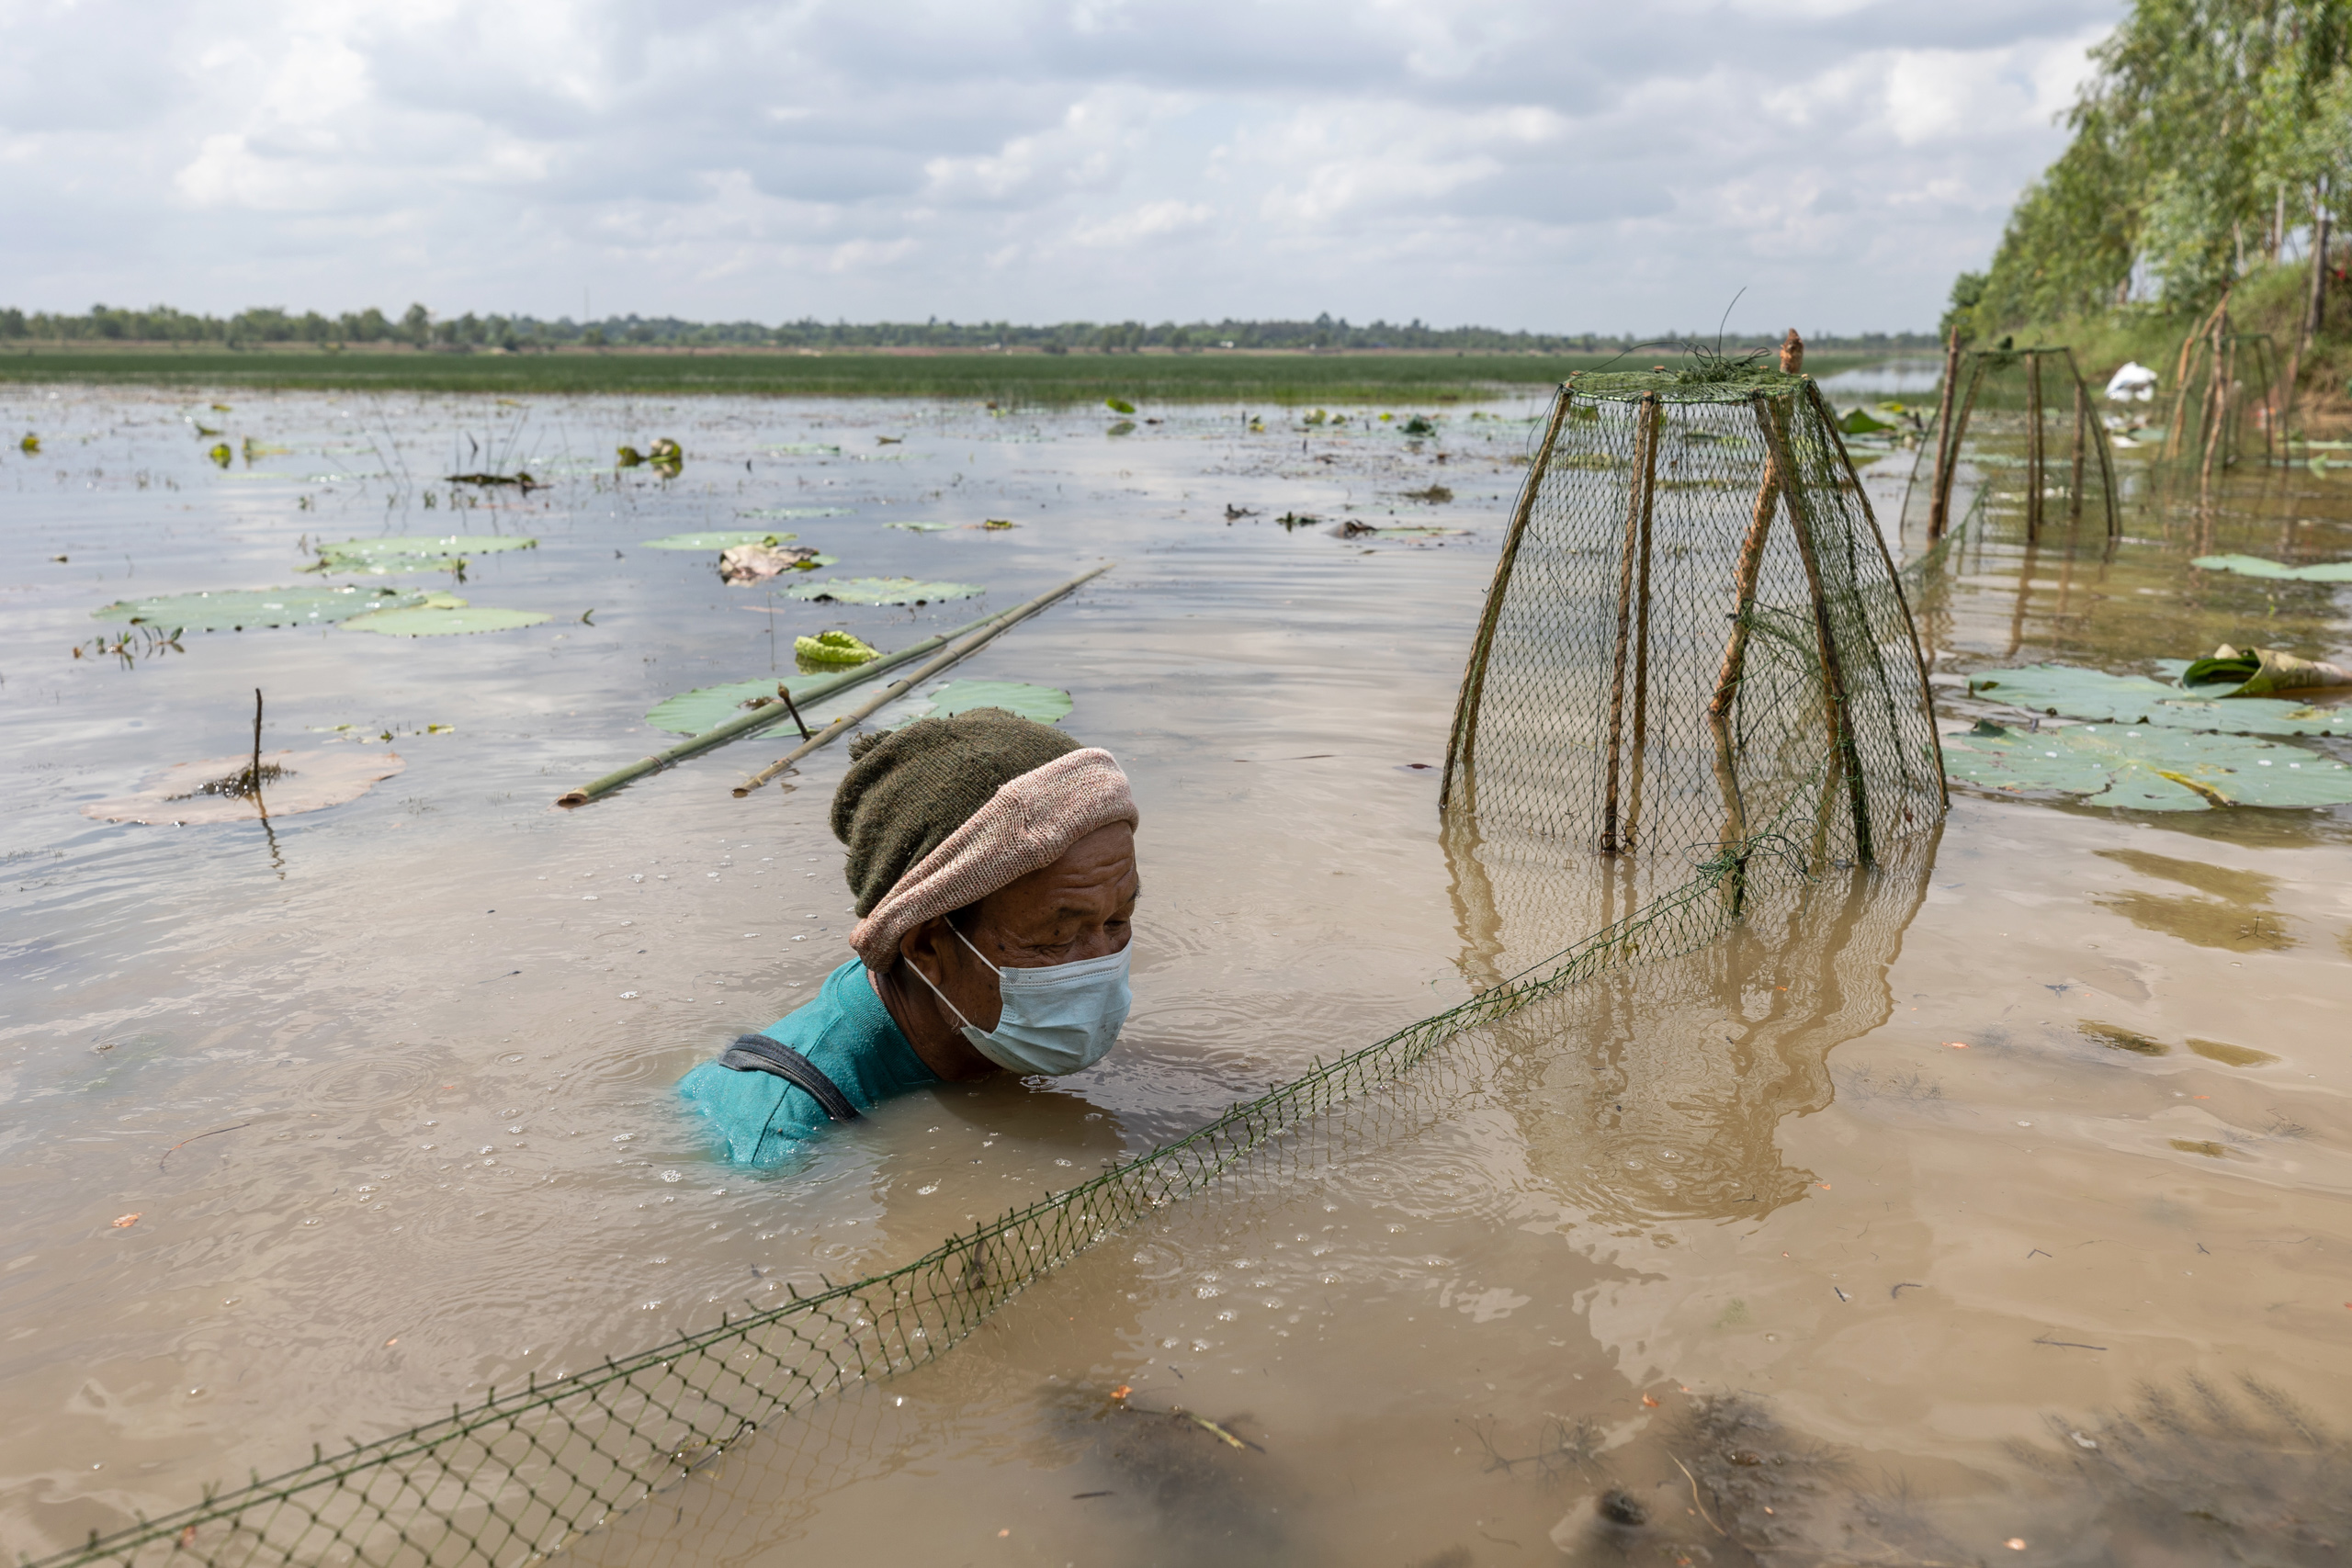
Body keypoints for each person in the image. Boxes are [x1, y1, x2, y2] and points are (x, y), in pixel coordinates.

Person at [678, 707, 1140, 1166]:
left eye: (1118, 920)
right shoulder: (780, 1138)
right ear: (925, 947)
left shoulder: (984, 1022)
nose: (1102, 960)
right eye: (1056, 938)